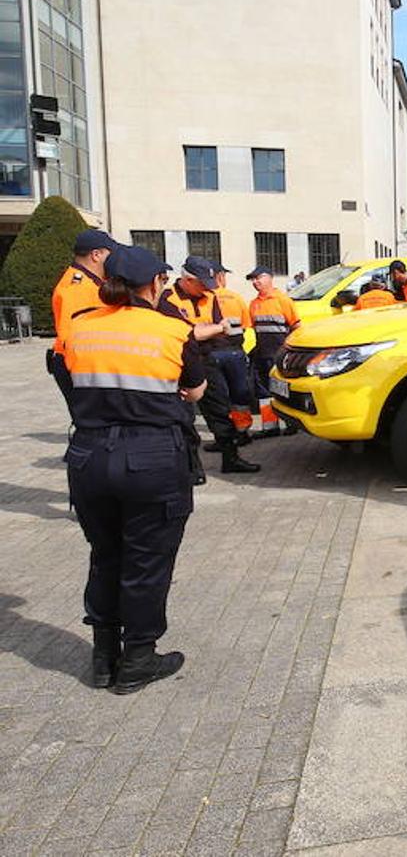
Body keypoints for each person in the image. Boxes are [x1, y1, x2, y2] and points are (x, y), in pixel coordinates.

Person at [64, 245, 206, 694]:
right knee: (146, 561)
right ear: (153, 284)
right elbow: (196, 390)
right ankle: (138, 658)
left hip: (88, 456)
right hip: (150, 458)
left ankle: (104, 657)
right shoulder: (171, 330)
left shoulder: (80, 326)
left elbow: (70, 379)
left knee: (105, 554)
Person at [160, 257, 259, 473]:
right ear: (187, 279)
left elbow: (215, 328)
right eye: (203, 283)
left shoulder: (210, 296)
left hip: (207, 359)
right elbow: (189, 334)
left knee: (220, 410)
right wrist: (210, 329)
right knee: (184, 417)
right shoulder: (168, 299)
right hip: (178, 362)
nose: (207, 288)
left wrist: (208, 331)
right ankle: (191, 468)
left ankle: (231, 459)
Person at [48, 229, 118, 416]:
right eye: (111, 254)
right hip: (79, 364)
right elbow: (74, 336)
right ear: (96, 255)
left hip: (84, 364)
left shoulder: (91, 282)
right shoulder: (77, 287)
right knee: (92, 421)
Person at [247, 266, 303, 438]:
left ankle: (291, 424)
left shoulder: (283, 300)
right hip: (262, 355)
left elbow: (296, 326)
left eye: (259, 278)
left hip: (279, 354)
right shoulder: (254, 304)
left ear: (270, 278)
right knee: (263, 393)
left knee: (283, 390)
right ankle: (270, 427)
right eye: (253, 279)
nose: (256, 282)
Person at [211, 263, 255, 442]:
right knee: (239, 394)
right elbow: (245, 326)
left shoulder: (204, 299)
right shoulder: (236, 298)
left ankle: (224, 437)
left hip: (212, 353)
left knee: (218, 397)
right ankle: (242, 432)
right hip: (234, 353)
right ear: (220, 277)